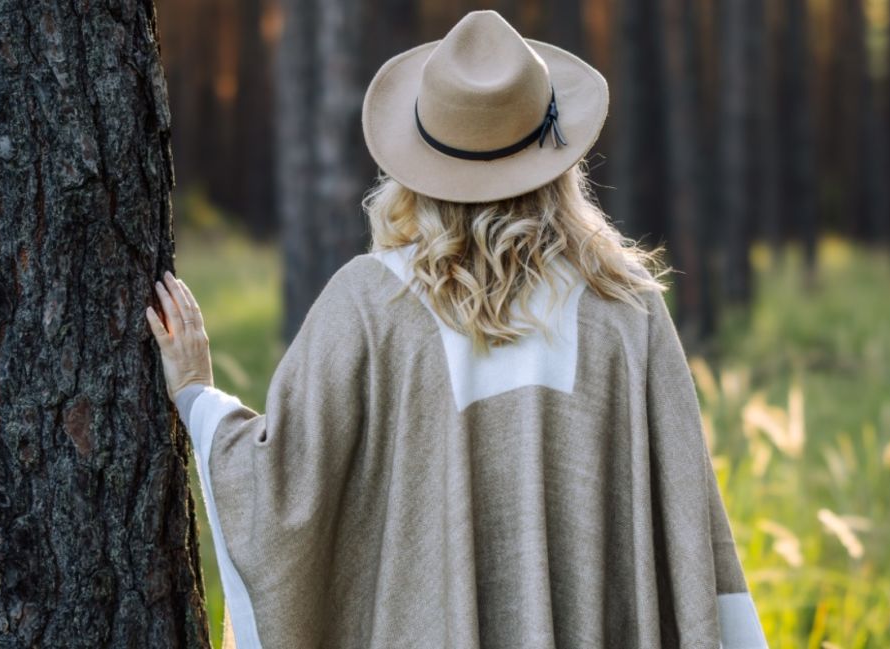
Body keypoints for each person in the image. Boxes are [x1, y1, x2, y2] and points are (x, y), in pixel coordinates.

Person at [145, 10, 766, 649]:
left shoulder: (369, 303)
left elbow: (280, 490)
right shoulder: (628, 307)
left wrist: (196, 396)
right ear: (560, 161)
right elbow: (689, 532)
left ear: (417, 166)